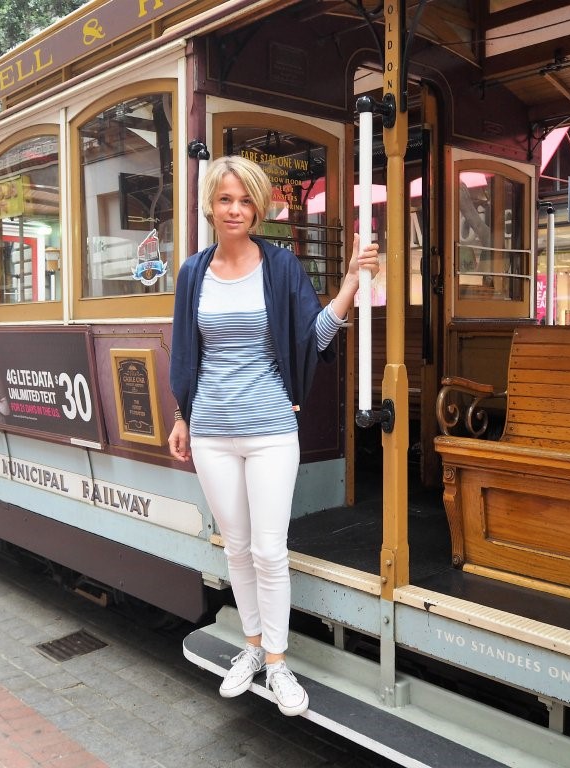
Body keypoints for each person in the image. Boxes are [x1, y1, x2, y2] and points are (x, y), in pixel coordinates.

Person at [168, 155, 380, 717]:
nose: (235, 210)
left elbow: (315, 336)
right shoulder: (193, 273)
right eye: (225, 199)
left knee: (269, 551)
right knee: (236, 548)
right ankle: (252, 647)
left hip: (270, 431)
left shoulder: (281, 267)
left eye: (245, 201)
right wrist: (182, 415)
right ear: (211, 206)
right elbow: (186, 351)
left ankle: (279, 663)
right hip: (211, 432)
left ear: (259, 209)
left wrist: (351, 284)